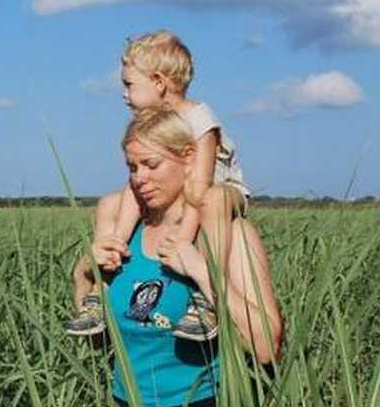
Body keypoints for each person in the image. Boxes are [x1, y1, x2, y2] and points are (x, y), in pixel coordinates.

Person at [84, 108, 282, 407]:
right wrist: (86, 271)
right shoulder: (124, 237)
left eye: (152, 165)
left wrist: (201, 270)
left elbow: (267, 345)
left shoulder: (230, 235)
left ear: (189, 158)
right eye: (131, 167)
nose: (140, 178)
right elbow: (95, 338)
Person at [66, 30, 249, 342]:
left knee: (214, 200)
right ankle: (100, 290)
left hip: (220, 190)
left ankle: (206, 300)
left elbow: (199, 186)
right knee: (113, 202)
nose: (124, 93)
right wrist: (116, 240)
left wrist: (182, 241)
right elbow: (136, 183)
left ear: (159, 81)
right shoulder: (155, 122)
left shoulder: (200, 121)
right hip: (186, 192)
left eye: (129, 84)